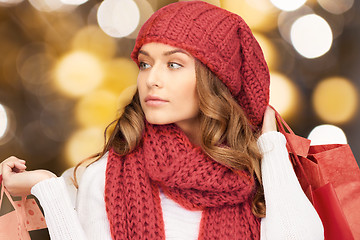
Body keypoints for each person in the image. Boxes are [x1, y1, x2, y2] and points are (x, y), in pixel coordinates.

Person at [0, 1, 324, 239]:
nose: (151, 80)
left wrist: (270, 144)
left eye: (173, 65)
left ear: (216, 79)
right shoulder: (107, 175)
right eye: (144, 64)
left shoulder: (258, 174)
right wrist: (49, 189)